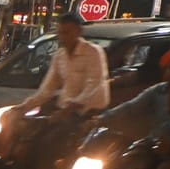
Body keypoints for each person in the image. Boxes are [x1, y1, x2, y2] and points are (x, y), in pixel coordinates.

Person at [8, 11, 110, 155]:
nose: (63, 37)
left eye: (67, 33)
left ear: (78, 31)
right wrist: (24, 107)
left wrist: (68, 109)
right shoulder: (59, 56)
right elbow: (47, 88)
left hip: (87, 112)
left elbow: (93, 85)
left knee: (49, 143)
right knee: (27, 136)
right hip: (64, 110)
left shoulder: (93, 52)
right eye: (60, 33)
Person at [98, 47, 170, 169]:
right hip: (152, 143)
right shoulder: (157, 91)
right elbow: (130, 107)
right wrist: (101, 119)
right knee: (122, 161)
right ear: (165, 73)